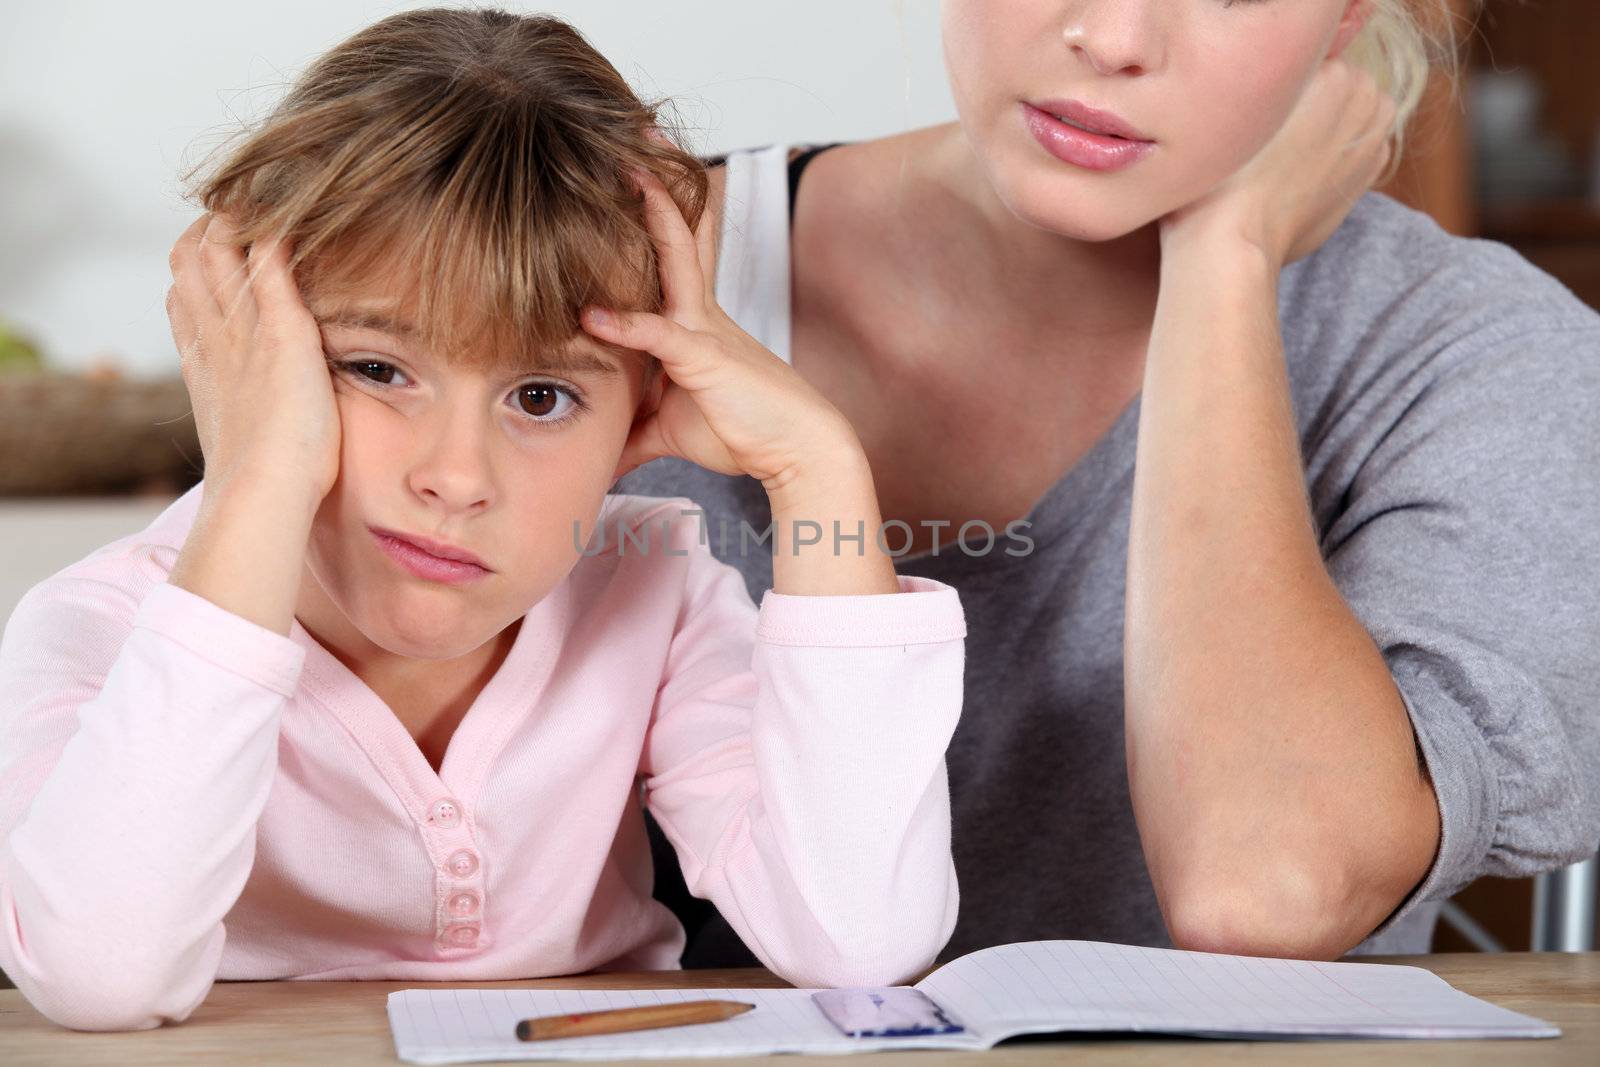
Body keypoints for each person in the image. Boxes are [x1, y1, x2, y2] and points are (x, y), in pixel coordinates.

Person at [0, 8, 967, 1032]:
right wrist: (255, 479)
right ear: (246, 351)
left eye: (542, 397)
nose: (457, 477)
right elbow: (100, 977)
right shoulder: (107, 624)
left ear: (642, 406)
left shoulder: (656, 590)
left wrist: (816, 465)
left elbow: (859, 938)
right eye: (376, 369)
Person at [616, 0, 1600, 966]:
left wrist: (1226, 253)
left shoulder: (1472, 351)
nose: (1115, 37)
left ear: (1345, 21)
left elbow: (1264, 892)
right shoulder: (613, 266)